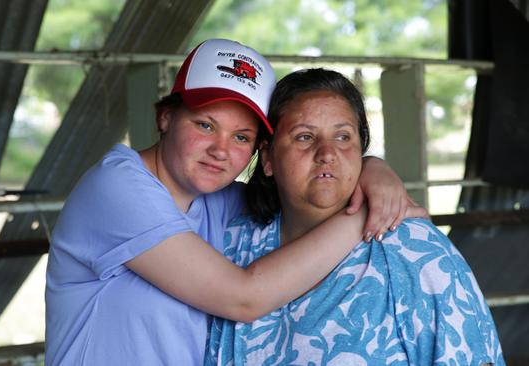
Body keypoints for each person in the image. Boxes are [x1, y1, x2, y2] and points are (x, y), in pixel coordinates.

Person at [45, 39, 424, 365]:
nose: (220, 151)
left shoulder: (214, 199)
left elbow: (307, 188)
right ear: (165, 117)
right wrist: (362, 215)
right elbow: (244, 298)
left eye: (241, 137)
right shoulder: (116, 187)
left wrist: (372, 167)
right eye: (205, 125)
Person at [205, 68, 505, 365]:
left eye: (342, 136)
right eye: (304, 137)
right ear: (268, 158)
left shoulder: (416, 252)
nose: (327, 153)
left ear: (361, 149)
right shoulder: (230, 241)